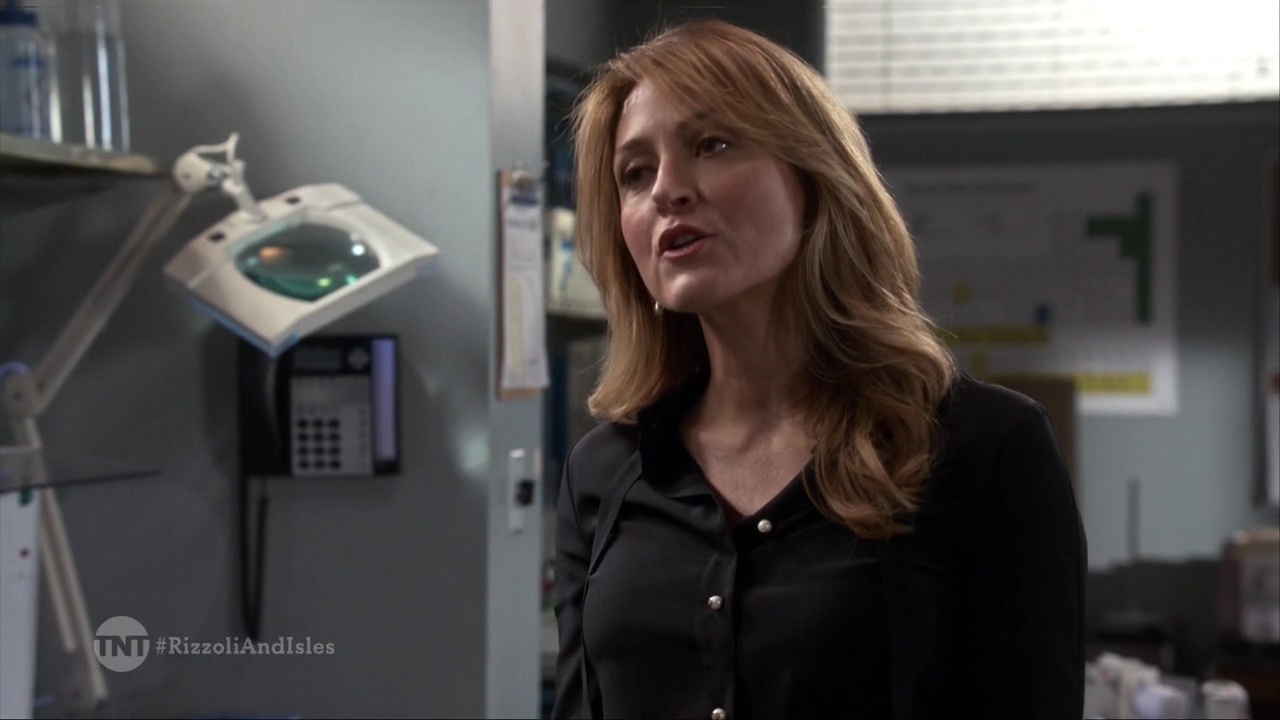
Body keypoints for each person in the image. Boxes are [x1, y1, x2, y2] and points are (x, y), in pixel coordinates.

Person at [552, 18, 1086, 720]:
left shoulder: (984, 448)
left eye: (712, 144)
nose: (666, 191)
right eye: (635, 173)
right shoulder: (604, 474)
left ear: (814, 177)